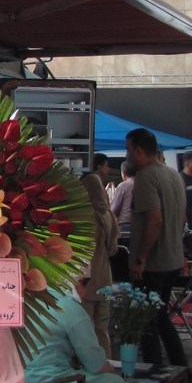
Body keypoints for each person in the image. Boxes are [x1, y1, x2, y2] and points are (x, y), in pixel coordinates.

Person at [126, 128, 192, 383]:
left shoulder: (145, 177)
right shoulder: (173, 175)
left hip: (153, 264)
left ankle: (155, 381)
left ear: (138, 151)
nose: (127, 156)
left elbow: (154, 220)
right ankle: (184, 376)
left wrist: (141, 258)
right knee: (160, 317)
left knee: (147, 322)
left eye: (128, 150)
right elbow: (181, 218)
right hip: (172, 259)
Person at [78, 152, 120, 355]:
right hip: (105, 277)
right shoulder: (108, 215)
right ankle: (107, 363)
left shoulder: (82, 217)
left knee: (84, 329)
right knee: (102, 328)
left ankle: (88, 366)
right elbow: (113, 249)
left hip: (85, 279)